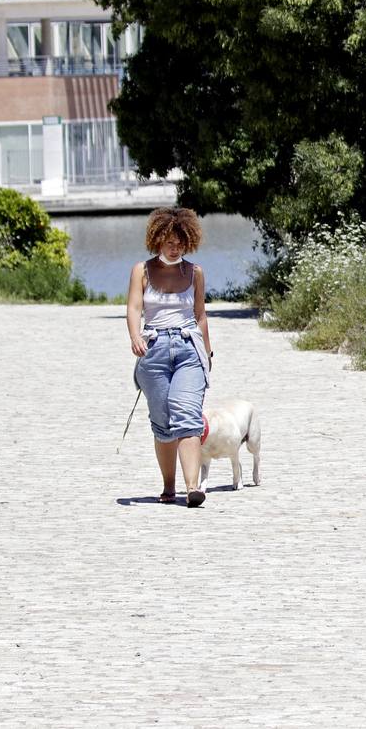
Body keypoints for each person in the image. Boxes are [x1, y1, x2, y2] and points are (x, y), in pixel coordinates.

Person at [126, 207, 213, 507]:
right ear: (157, 239)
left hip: (189, 346)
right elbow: (134, 309)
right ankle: (169, 485)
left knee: (187, 415)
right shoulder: (142, 270)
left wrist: (208, 353)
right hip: (155, 348)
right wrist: (135, 336)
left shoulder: (195, 272)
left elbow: (200, 315)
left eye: (180, 243)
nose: (174, 248)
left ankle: (193, 488)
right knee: (163, 422)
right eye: (169, 242)